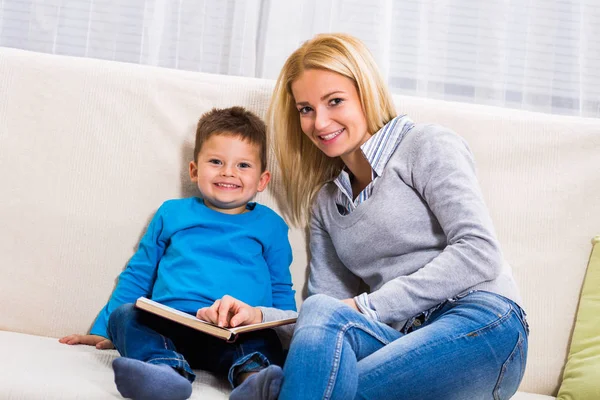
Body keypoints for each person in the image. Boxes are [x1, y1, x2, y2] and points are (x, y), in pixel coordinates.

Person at [197, 33, 530, 399]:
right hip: (401, 338)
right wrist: (259, 318)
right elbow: (324, 322)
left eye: (334, 101)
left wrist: (368, 306)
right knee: (321, 321)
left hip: (481, 323)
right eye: (306, 109)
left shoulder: (426, 145)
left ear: (365, 93)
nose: (320, 123)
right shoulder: (327, 203)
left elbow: (480, 251)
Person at [59, 106, 296, 400]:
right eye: (216, 161)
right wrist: (103, 330)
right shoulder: (172, 213)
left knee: (263, 339)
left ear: (262, 180)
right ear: (194, 170)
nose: (228, 172)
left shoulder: (270, 226)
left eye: (243, 166)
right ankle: (165, 372)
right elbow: (138, 273)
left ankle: (254, 380)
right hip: (171, 325)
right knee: (125, 316)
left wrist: (290, 342)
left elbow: (281, 289)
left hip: (235, 330)